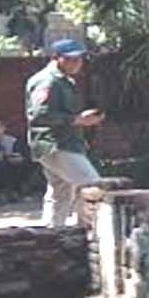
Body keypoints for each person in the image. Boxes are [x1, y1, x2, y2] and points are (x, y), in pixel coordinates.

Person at [24, 39, 103, 227]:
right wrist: (77, 120)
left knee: (61, 192)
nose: (76, 63)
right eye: (70, 59)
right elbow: (39, 115)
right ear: (56, 58)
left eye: (79, 59)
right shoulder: (48, 80)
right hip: (55, 144)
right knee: (92, 186)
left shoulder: (64, 80)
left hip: (65, 142)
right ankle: (89, 230)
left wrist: (82, 119)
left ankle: (52, 233)